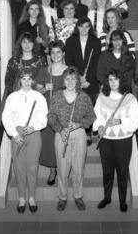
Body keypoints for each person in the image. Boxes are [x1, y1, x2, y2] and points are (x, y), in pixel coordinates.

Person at [92, 69, 138, 212]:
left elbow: (136, 119)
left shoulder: (130, 98)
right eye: (110, 80)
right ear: (107, 82)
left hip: (123, 140)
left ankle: (122, 201)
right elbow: (97, 116)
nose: (113, 83)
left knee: (122, 171)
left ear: (121, 80)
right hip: (106, 140)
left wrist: (119, 120)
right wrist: (99, 127)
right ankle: (107, 198)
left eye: (116, 79)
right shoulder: (102, 97)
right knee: (107, 171)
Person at [47, 66, 96, 211]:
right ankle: (62, 197)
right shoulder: (56, 96)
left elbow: (92, 117)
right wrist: (59, 129)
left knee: (78, 167)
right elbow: (50, 116)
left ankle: (78, 195)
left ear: (77, 81)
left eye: (73, 78)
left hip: (79, 134)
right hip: (61, 134)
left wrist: (80, 124)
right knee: (62, 169)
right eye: (67, 78)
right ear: (63, 80)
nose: (70, 82)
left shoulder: (83, 97)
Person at [2, 69, 48, 213]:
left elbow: (43, 117)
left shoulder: (39, 96)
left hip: (33, 134)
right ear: (19, 81)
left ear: (32, 81)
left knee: (32, 167)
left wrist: (34, 127)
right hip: (17, 135)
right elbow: (6, 117)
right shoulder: (12, 97)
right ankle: (22, 198)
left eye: (29, 79)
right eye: (24, 79)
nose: (27, 82)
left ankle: (32, 197)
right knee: (19, 168)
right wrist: (14, 134)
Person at [36, 41, 67, 186]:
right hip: (47, 112)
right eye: (53, 52)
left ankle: (64, 169)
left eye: (58, 52)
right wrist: (43, 89)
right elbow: (36, 90)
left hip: (63, 112)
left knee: (62, 142)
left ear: (63, 54)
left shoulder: (69, 71)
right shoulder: (44, 71)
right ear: (49, 55)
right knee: (49, 142)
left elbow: (76, 90)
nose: (55, 55)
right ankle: (53, 169)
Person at [65, 17, 101, 106]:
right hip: (75, 82)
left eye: (86, 26)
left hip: (91, 83)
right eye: (81, 26)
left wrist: (88, 80)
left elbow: (97, 63)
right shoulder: (70, 41)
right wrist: (79, 77)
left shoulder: (96, 41)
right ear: (77, 27)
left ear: (90, 28)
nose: (83, 29)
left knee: (90, 111)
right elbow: (69, 61)